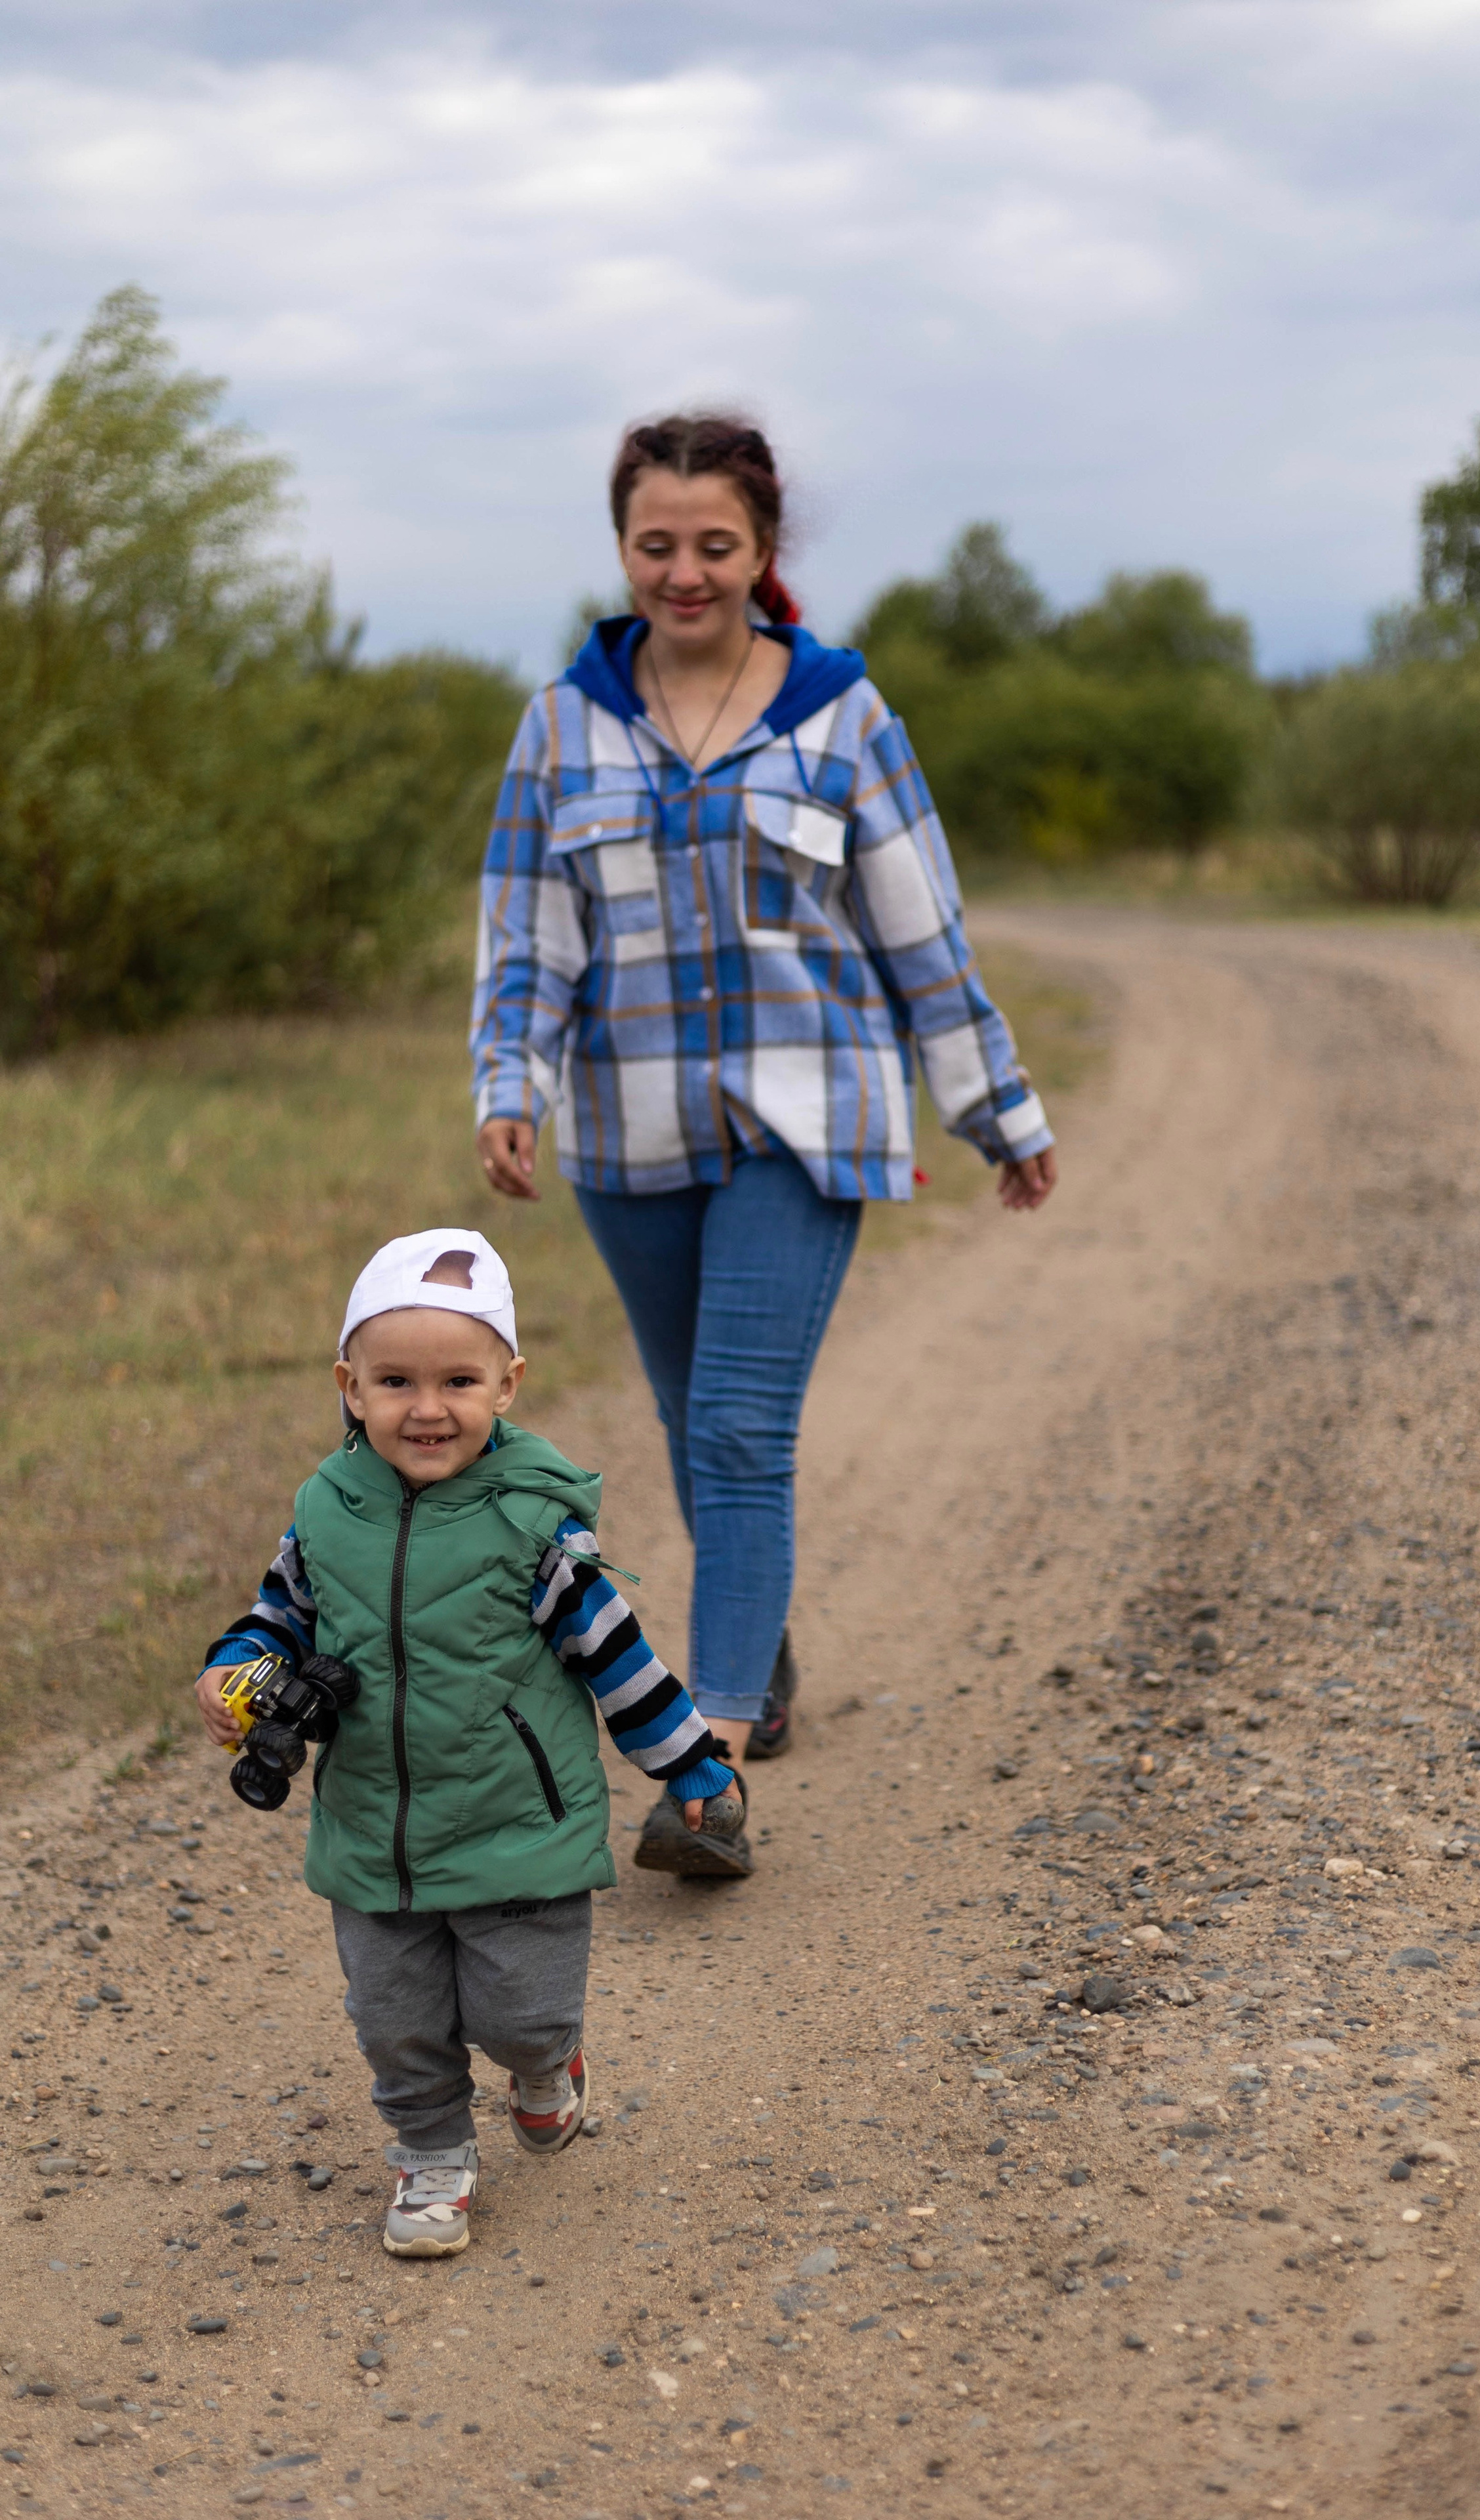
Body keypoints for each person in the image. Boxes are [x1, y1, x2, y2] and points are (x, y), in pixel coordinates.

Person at [472, 413, 1057, 1881]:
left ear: (763, 551)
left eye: (713, 546)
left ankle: (708, 1762)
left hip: (809, 1118)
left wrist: (998, 1109)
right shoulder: (562, 726)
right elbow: (528, 937)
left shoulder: (843, 717)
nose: (684, 572)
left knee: (739, 1429)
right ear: (622, 548)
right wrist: (510, 1083)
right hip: (628, 1127)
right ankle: (762, 1650)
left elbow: (921, 935)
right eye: (655, 545)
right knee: (691, 1425)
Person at [191, 1227, 739, 2258]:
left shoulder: (535, 1531)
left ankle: (548, 2062)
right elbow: (284, 1618)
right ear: (349, 1386)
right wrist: (239, 1675)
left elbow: (618, 1659)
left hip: (514, 1826)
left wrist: (692, 1764)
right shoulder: (324, 1513)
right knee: (395, 2021)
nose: (427, 1407)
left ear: (508, 1384)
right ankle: (433, 2156)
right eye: (395, 1380)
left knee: (521, 2013)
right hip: (375, 1834)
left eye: (458, 1380)